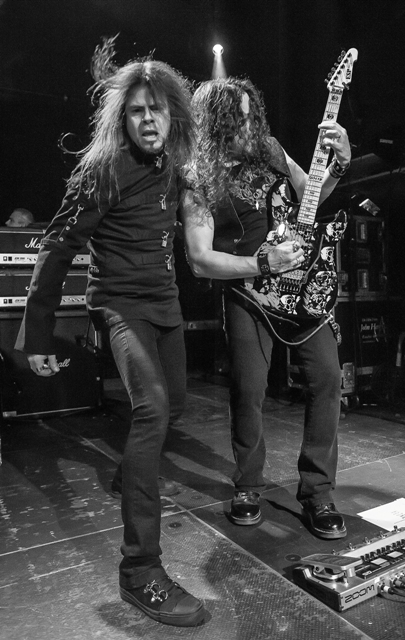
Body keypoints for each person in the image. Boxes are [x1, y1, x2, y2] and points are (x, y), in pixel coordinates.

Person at [15, 39, 205, 627]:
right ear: (123, 116)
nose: (149, 120)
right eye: (137, 110)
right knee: (151, 409)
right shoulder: (102, 169)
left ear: (173, 111)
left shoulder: (176, 164)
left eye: (157, 108)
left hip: (164, 303)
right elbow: (57, 249)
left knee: (174, 405)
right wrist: (38, 335)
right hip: (119, 303)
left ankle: (132, 472)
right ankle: (139, 569)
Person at [181, 77, 351, 540]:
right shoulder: (199, 176)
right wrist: (260, 261)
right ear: (215, 123)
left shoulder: (271, 150)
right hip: (248, 293)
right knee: (249, 388)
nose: (250, 125)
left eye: (253, 114)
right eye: (238, 118)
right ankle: (249, 486)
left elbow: (314, 196)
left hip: (300, 285)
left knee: (328, 377)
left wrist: (338, 163)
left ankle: (317, 492)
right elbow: (199, 259)